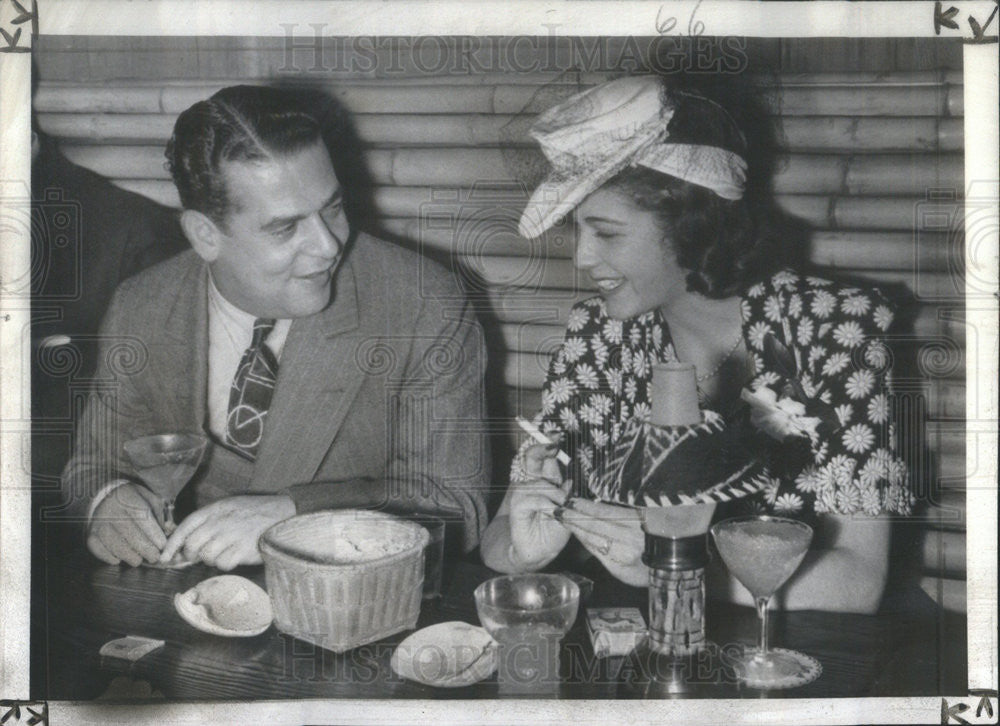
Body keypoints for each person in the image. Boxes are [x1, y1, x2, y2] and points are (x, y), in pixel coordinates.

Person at [480, 75, 912, 614]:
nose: (582, 258)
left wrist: (672, 563)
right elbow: (501, 535)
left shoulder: (832, 331)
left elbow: (860, 580)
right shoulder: (596, 337)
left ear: (691, 227)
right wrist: (524, 551)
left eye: (608, 233)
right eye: (577, 230)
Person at [62, 85, 489, 570]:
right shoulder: (141, 305)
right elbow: (91, 467)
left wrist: (295, 518)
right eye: (286, 228)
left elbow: (455, 511)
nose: (328, 246)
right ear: (205, 235)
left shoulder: (422, 305)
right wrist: (107, 501)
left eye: (332, 207)